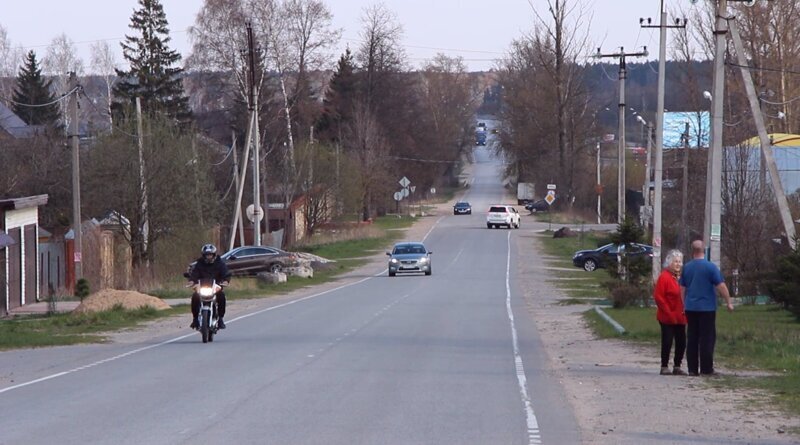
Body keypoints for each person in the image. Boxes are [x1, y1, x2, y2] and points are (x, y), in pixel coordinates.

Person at [679, 240, 734, 376]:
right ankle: (706, 369)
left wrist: (683, 304)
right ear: (704, 250)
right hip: (707, 308)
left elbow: (682, 288)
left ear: (692, 251)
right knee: (707, 338)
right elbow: (720, 285)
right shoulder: (710, 267)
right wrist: (728, 301)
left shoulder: (686, 267)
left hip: (691, 307)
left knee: (692, 337)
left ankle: (692, 369)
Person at [653, 249, 687, 376]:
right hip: (666, 316)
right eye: (675, 262)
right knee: (667, 341)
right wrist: (668, 312)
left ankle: (677, 365)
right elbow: (659, 297)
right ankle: (664, 366)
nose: (678, 264)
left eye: (680, 262)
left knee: (681, 341)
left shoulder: (681, 278)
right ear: (669, 263)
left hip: (681, 316)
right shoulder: (664, 277)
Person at [188, 244, 231, 329]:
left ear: (214, 255)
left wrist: (226, 280)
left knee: (221, 297)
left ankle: (221, 319)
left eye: (210, 254)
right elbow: (195, 273)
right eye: (207, 255)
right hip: (202, 286)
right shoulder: (199, 263)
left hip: (216, 286)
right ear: (204, 255)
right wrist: (192, 281)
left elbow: (225, 273)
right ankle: (195, 319)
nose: (209, 257)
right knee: (195, 297)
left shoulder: (220, 263)